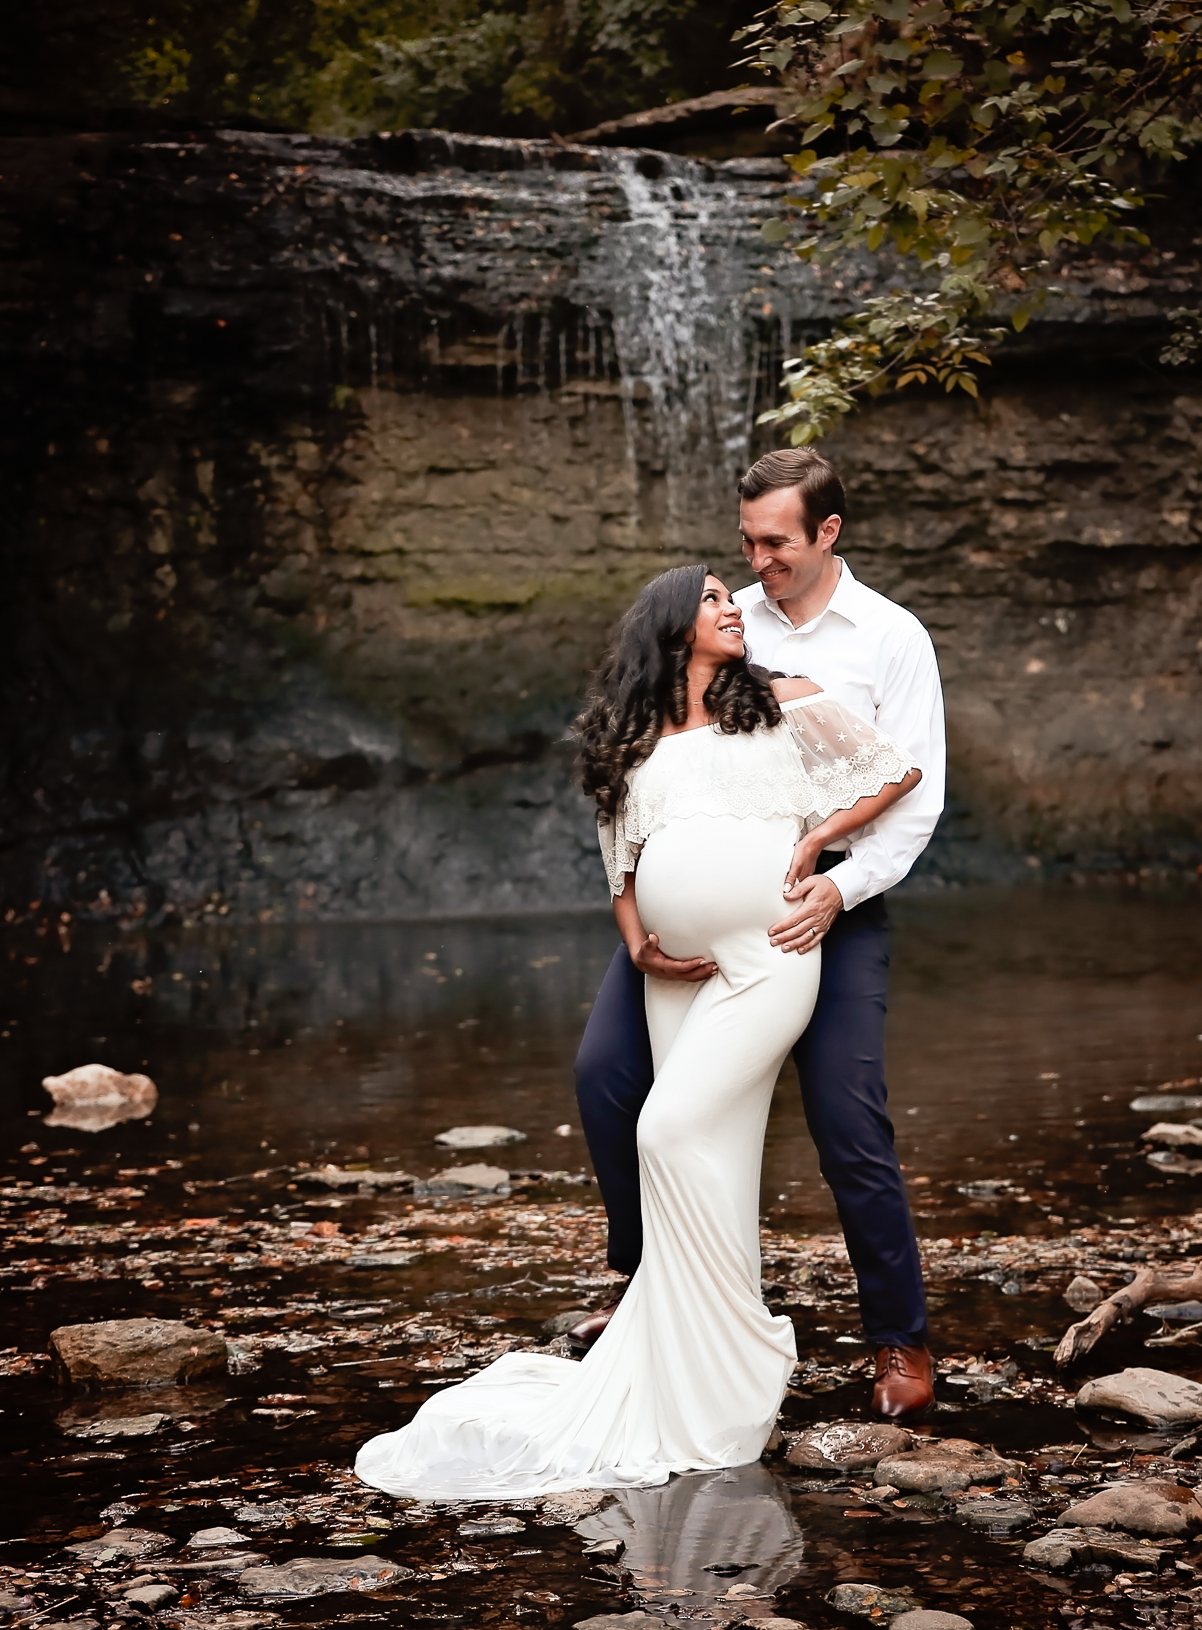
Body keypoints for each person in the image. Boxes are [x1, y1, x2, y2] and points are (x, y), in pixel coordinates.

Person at [353, 564, 924, 1498]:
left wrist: (816, 845)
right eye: (710, 598)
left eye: (728, 596)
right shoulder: (632, 739)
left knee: (665, 1127)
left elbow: (895, 771)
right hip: (676, 970)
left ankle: (751, 1340)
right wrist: (640, 948)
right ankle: (701, 1373)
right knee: (711, 1158)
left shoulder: (782, 700)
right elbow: (620, 860)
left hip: (769, 952)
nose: (731, 605)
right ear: (668, 628)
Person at [570, 448, 947, 1417]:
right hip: (680, 930)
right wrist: (639, 924)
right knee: (607, 1076)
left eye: (774, 541)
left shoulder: (889, 638)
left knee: (846, 1112)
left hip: (825, 907)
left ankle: (898, 1336)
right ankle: (652, 1289)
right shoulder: (719, 620)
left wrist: (837, 880)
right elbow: (641, 783)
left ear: (827, 532)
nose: (755, 561)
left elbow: (911, 789)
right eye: (746, 541)